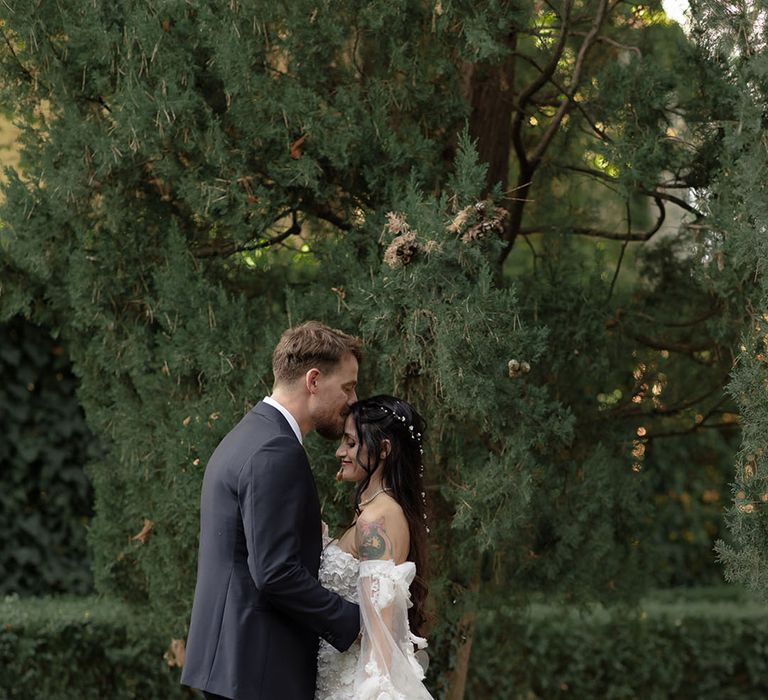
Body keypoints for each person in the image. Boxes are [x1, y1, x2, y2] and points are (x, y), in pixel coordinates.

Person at [182, 321, 363, 700]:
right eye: (347, 386)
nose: (352, 399)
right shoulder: (275, 450)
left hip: (236, 666)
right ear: (313, 380)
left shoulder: (248, 435)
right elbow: (275, 571)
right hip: (258, 671)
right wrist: (354, 622)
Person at [315, 395, 434, 700]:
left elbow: (381, 631)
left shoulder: (376, 519)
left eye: (352, 443)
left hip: (354, 685)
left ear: (383, 450)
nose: (341, 451)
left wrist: (373, 694)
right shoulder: (377, 512)